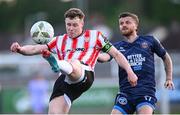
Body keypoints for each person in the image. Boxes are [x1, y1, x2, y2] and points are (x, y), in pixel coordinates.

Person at [10, 8, 138, 114]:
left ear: (82, 24)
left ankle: (56, 63)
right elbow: (34, 48)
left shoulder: (95, 36)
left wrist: (130, 72)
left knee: (74, 62)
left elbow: (116, 54)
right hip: (64, 81)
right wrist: (20, 49)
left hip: (84, 74)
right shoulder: (58, 40)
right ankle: (57, 64)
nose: (71, 28)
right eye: (68, 25)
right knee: (54, 113)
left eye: (75, 25)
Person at [98, 12, 175, 114]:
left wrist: (169, 78)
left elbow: (166, 57)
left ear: (136, 25)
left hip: (145, 92)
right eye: (121, 23)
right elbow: (104, 57)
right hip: (125, 93)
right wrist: (95, 54)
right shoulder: (116, 46)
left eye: (127, 22)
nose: (124, 25)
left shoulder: (149, 40)